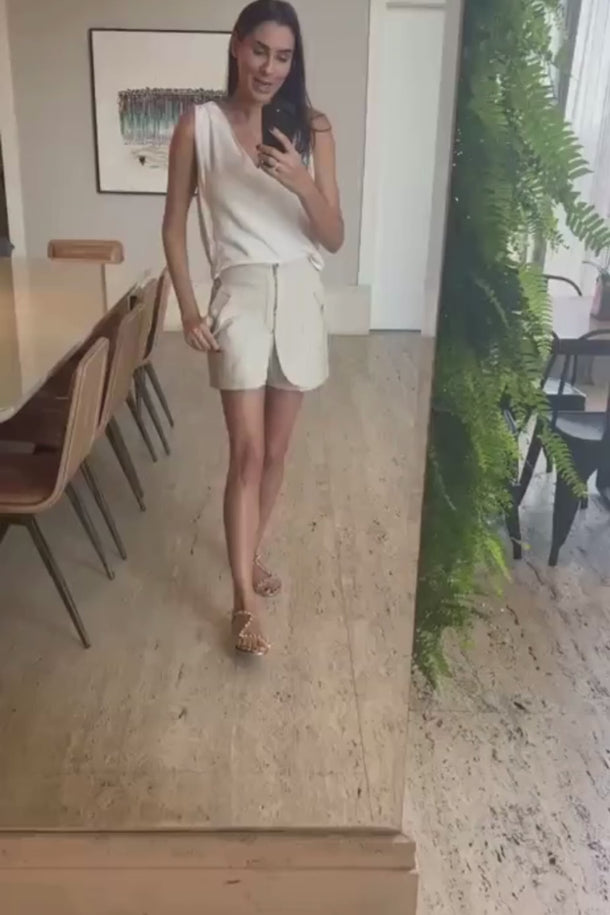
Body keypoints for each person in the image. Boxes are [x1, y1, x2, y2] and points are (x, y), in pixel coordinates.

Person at [162, 0, 344, 657]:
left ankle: (251, 550)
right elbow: (173, 226)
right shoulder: (199, 126)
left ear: (294, 61)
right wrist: (189, 308)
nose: (270, 67)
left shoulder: (313, 128)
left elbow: (334, 235)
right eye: (260, 50)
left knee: (275, 452)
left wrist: (301, 181)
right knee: (245, 451)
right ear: (237, 46)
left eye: (284, 56)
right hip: (237, 293)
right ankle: (243, 596)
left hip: (300, 292)